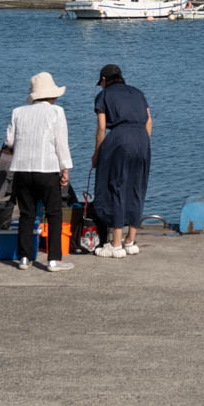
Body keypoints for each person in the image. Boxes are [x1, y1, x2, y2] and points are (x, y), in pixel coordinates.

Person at [3, 71, 74, 272]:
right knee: (53, 213)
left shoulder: (18, 112)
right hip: (47, 168)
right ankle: (53, 260)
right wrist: (65, 169)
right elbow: (61, 143)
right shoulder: (56, 112)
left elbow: (9, 141)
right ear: (52, 94)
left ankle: (24, 258)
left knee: (27, 214)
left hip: (22, 169)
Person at [90, 63, 152, 259]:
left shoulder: (104, 95)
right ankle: (130, 241)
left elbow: (101, 127)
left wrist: (97, 153)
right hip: (142, 139)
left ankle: (115, 244)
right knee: (137, 186)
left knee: (115, 186)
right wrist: (142, 142)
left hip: (119, 139)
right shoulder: (137, 93)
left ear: (104, 80)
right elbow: (149, 120)